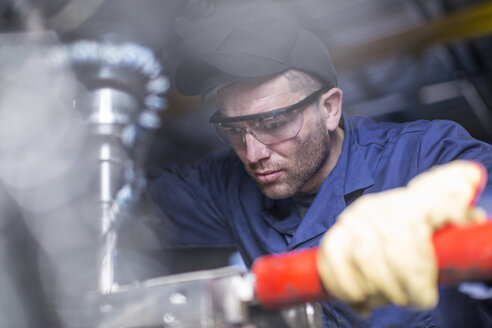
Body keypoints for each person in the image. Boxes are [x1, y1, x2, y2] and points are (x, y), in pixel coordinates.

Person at [147, 16, 492, 327]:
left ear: (329, 109)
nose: (253, 154)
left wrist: (435, 215)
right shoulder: (224, 186)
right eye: (234, 130)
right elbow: (128, 208)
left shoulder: (424, 153)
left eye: (274, 123)